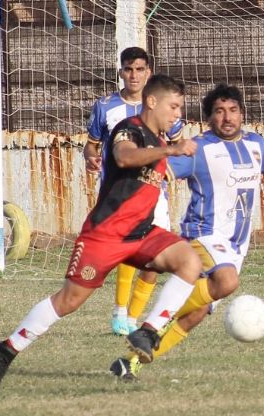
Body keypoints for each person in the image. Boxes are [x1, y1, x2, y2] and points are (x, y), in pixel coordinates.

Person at [0, 74, 200, 395]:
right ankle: (6, 349)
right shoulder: (130, 128)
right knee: (68, 301)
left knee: (189, 262)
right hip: (104, 236)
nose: (178, 114)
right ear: (152, 101)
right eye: (174, 106)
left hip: (141, 234)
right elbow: (124, 156)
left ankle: (148, 332)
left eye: (180, 108)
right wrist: (171, 150)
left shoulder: (160, 140)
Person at [110, 83, 264, 380]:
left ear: (242, 114)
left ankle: (129, 363)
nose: (227, 117)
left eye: (233, 110)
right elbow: (157, 173)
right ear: (208, 118)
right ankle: (149, 328)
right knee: (227, 281)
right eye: (219, 111)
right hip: (202, 233)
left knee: (195, 314)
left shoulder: (256, 145)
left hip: (236, 247)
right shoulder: (198, 149)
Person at [84, 47, 182, 336]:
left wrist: (175, 162)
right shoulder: (105, 107)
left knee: (155, 258)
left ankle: (132, 318)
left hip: (155, 191)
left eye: (139, 69)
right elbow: (91, 145)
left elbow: (177, 143)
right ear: (120, 72)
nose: (134, 75)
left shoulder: (161, 105)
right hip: (119, 193)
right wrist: (90, 157)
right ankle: (120, 311)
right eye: (128, 69)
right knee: (127, 250)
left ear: (148, 72)